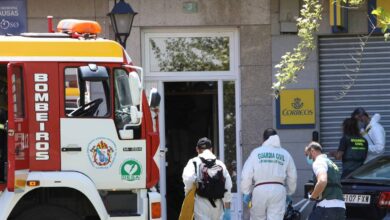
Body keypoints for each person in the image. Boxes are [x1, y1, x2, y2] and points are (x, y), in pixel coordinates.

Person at [241, 128, 297, 220]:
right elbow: (292, 176)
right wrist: (289, 192)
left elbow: (246, 174)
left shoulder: (256, 153)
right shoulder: (285, 154)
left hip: (259, 190)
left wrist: (246, 191)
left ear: (263, 140)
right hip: (278, 190)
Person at [182, 137, 232, 220]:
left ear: (197, 149)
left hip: (201, 203)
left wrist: (189, 195)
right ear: (211, 149)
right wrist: (227, 208)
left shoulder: (194, 162)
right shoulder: (220, 163)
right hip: (217, 205)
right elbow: (228, 186)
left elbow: (189, 179)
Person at [305, 142, 346, 220]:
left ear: (312, 151)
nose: (307, 157)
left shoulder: (318, 162)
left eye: (307, 154)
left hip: (326, 207)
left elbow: (322, 181)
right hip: (340, 207)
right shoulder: (331, 163)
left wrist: (313, 196)